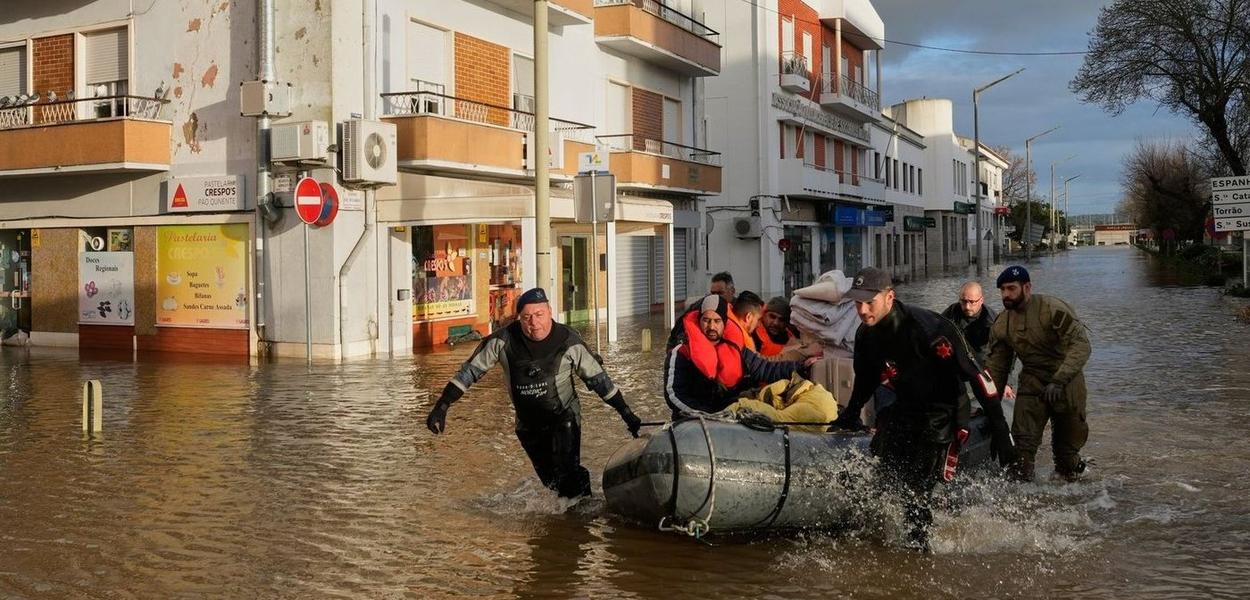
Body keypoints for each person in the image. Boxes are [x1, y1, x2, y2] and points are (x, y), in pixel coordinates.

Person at [830, 268, 1015, 551]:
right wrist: (850, 415)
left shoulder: (928, 328)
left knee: (917, 492)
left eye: (870, 302)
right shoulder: (867, 336)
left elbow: (979, 377)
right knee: (884, 471)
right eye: (857, 303)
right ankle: (882, 541)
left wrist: (1001, 431)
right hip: (905, 406)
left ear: (889, 297)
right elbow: (865, 381)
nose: (863, 310)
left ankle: (918, 553)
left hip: (943, 412)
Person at [425, 288, 643, 500]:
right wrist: (442, 406)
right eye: (526, 317)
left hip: (564, 416)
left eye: (539, 315)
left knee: (567, 475)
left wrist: (627, 414)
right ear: (519, 318)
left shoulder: (569, 341)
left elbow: (600, 381)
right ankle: (583, 500)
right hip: (528, 424)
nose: (534, 323)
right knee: (552, 483)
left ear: (549, 311)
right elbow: (469, 373)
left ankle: (579, 523)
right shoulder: (502, 341)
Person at [985, 266, 1091, 483]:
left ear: (1027, 288)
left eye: (1011, 289)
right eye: (1002, 290)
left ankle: (1074, 485)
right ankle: (1026, 500)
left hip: (1066, 380)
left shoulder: (1052, 309)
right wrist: (990, 404)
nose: (1006, 294)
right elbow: (997, 367)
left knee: (1066, 456)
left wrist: (1059, 381)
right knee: (1021, 451)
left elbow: (1081, 346)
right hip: (1032, 382)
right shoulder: (1002, 324)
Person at [664, 294, 817, 417]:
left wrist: (802, 367)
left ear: (725, 323)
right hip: (693, 419)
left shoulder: (737, 348)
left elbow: (765, 368)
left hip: (726, 416)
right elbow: (674, 394)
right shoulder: (681, 352)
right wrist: (704, 415)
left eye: (717, 321)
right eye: (706, 320)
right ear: (699, 321)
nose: (711, 326)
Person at [941, 281, 996, 365]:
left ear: (981, 300)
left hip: (981, 363)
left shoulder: (991, 321)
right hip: (955, 359)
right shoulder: (952, 311)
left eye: (972, 302)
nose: (967, 307)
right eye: (963, 301)